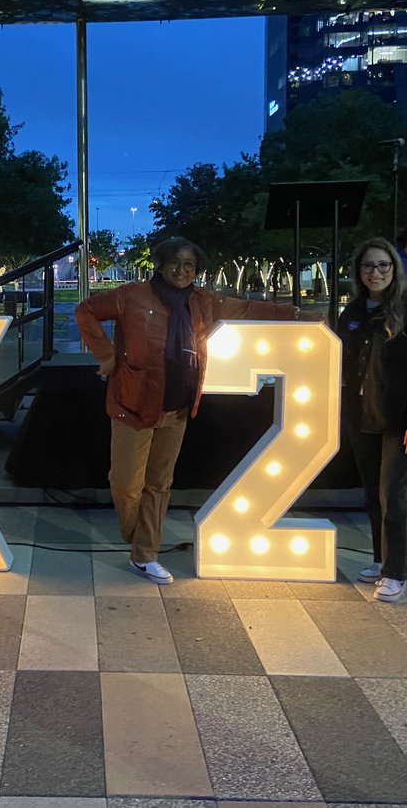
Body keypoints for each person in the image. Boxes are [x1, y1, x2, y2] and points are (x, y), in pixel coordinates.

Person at [75, 236, 298, 584]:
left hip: (178, 407)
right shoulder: (132, 295)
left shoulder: (202, 301)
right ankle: (140, 539)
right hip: (132, 404)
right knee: (126, 485)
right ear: (160, 265)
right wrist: (106, 355)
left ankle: (144, 554)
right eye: (175, 263)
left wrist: (300, 315)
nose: (182, 270)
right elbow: (86, 310)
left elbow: (248, 309)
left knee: (159, 484)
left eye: (189, 265)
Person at [338, 238, 407, 602]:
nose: (375, 273)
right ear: (358, 272)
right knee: (373, 496)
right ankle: (381, 561)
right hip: (361, 418)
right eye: (368, 266)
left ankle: (396, 573)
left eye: (382, 266)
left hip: (401, 421)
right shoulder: (352, 314)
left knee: (395, 497)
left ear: (394, 269)